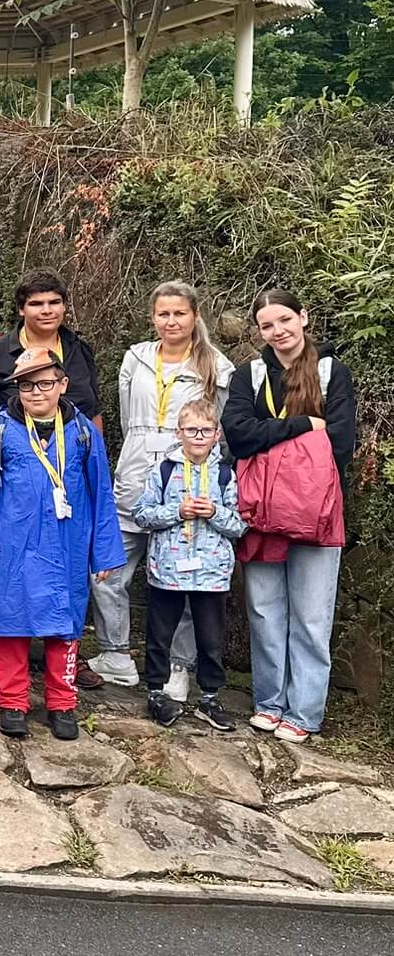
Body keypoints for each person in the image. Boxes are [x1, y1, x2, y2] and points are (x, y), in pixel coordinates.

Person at [0, 348, 125, 740]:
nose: (36, 392)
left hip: (67, 544)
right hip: (13, 544)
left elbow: (101, 492)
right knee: (11, 625)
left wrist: (103, 551)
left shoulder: (83, 432)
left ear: (63, 384)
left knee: (65, 626)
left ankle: (62, 702)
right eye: (26, 385)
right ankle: (12, 700)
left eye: (45, 383)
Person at [221, 289, 357, 743]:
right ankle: (269, 702)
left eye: (284, 320)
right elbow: (238, 434)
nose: (278, 331)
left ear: (303, 317)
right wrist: (303, 427)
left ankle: (304, 710)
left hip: (317, 509)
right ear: (259, 331)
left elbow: (340, 443)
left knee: (312, 616)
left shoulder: (331, 372)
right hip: (261, 511)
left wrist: (273, 444)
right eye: (267, 325)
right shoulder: (250, 374)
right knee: (264, 611)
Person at [90, 281, 234, 691]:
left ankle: (178, 667)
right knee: (107, 569)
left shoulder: (216, 366)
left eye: (179, 313)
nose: (171, 321)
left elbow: (219, 429)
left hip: (188, 482)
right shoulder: (136, 358)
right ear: (152, 317)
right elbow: (126, 416)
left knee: (186, 577)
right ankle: (115, 652)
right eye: (163, 313)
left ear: (195, 316)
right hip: (136, 477)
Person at [130, 398, 245, 731]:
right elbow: (142, 514)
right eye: (191, 430)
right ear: (178, 433)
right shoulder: (163, 471)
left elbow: (239, 524)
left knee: (211, 639)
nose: (198, 436)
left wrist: (215, 513)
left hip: (211, 574)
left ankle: (210, 696)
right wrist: (176, 512)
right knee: (159, 635)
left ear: (216, 434)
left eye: (205, 430)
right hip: (167, 570)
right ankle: (156, 691)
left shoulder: (225, 474)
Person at [0, 270, 103, 423]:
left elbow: (94, 412)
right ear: (21, 309)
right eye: (36, 304)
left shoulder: (80, 350)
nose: (47, 311)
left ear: (64, 306)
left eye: (54, 302)